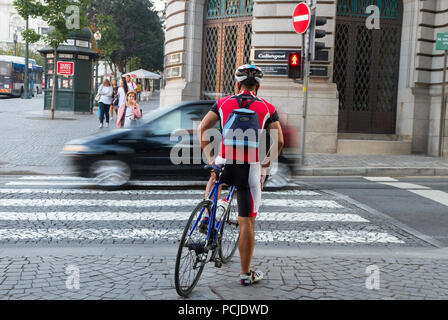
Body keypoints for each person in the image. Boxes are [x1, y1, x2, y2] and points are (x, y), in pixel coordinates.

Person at [197, 64, 284, 286]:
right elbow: (280, 141)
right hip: (249, 169)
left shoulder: (224, 103)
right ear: (258, 86)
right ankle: (245, 275)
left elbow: (202, 129)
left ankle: (207, 213)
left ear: (237, 84)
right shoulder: (267, 108)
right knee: (247, 222)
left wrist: (210, 157)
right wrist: (265, 163)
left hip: (225, 162)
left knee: (215, 176)